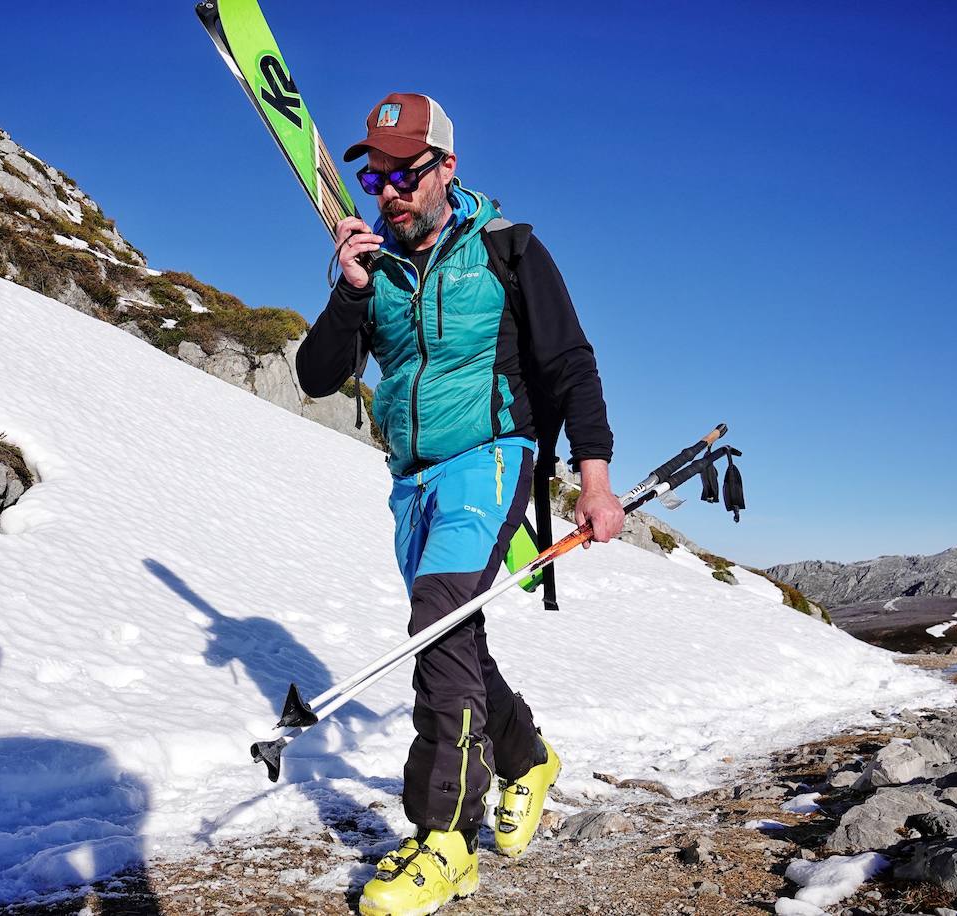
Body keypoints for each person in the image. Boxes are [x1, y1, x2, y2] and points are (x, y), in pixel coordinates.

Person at [296, 92, 624, 916]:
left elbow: (571, 365)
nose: (391, 190)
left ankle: (445, 838)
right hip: (412, 480)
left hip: (493, 457)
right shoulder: (373, 271)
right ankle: (528, 757)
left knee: (437, 616)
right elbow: (312, 376)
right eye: (376, 176)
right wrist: (349, 289)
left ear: (446, 167)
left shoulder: (510, 250)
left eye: (407, 171)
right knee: (457, 636)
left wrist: (593, 478)